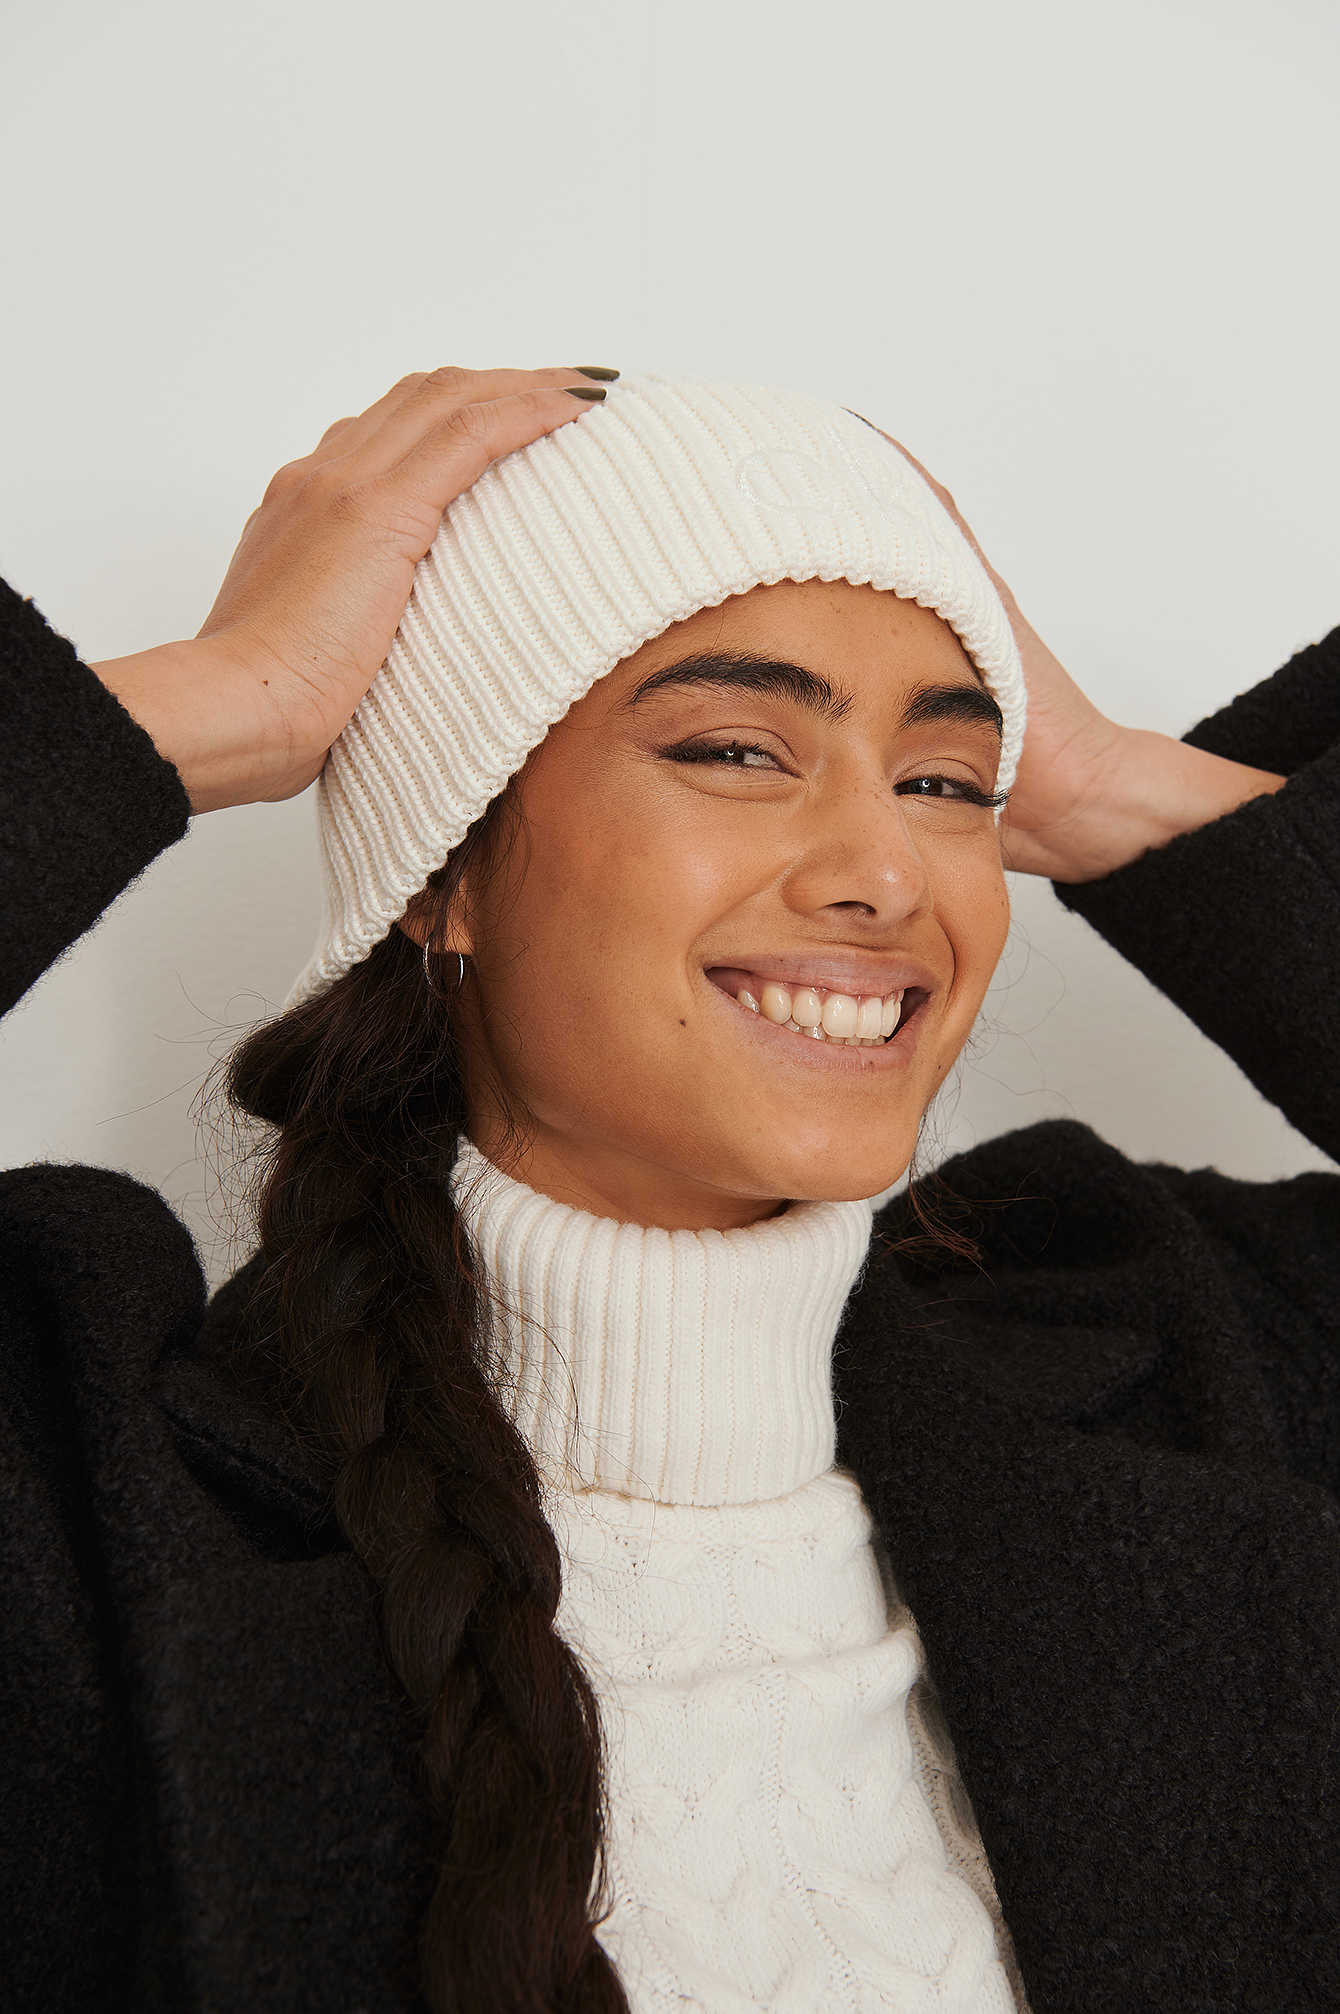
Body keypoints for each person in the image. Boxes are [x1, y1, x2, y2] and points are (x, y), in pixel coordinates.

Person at [2, 364, 1336, 2014]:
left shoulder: (1196, 1363)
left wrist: (1118, 784)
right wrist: (226, 701)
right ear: (445, 869)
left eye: (945, 784)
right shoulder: (86, 1505)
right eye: (737, 749)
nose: (887, 871)